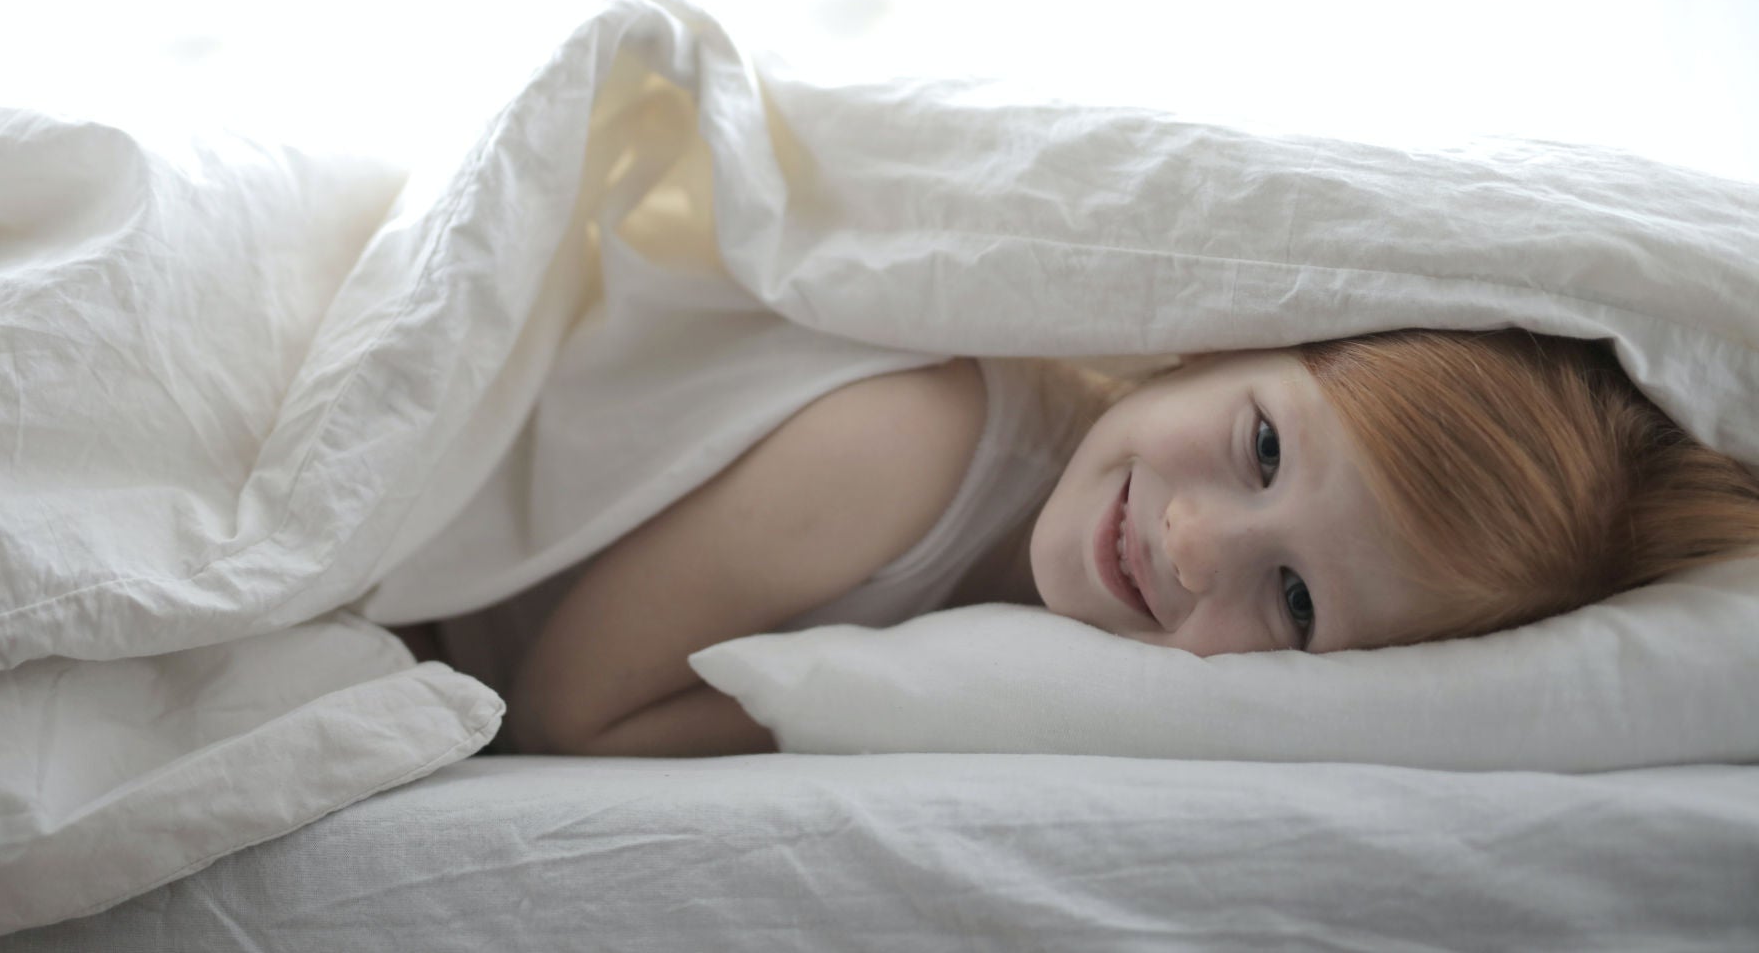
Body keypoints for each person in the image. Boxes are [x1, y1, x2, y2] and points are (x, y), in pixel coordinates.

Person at [427, 328, 1759, 758]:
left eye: (1292, 599)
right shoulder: (913, 442)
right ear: (1243, 344)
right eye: (1264, 449)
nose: (1191, 545)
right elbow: (563, 716)